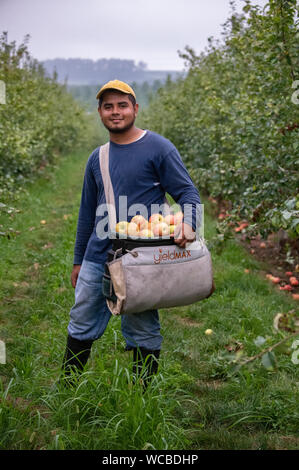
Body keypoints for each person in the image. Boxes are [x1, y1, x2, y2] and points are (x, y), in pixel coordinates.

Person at [61, 79, 201, 388]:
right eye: (108, 106)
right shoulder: (97, 159)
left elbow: (189, 195)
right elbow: (87, 214)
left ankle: (143, 396)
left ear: (135, 109)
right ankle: (67, 391)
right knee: (81, 319)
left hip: (141, 257)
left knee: (142, 327)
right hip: (99, 254)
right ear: (99, 112)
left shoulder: (159, 148)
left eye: (122, 105)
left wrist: (189, 224)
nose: (115, 112)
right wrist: (78, 259)